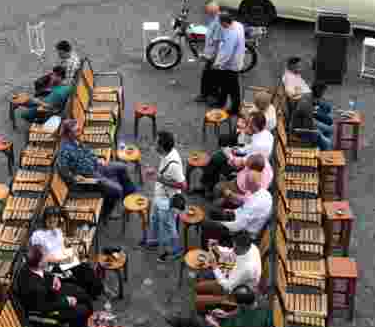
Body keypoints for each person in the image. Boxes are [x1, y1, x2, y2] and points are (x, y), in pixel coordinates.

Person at [56, 119, 136, 222]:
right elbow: (62, 169)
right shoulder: (64, 150)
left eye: (79, 129)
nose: (80, 131)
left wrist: (97, 159)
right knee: (117, 189)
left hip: (96, 166)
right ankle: (107, 213)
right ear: (68, 134)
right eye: (76, 130)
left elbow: (87, 151)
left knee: (122, 167)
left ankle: (129, 194)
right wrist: (74, 177)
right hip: (88, 177)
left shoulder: (76, 139)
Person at [15, 245, 92, 327]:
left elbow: (43, 274)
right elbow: (45, 306)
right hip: (47, 308)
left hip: (50, 292)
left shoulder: (30, 266)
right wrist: (66, 301)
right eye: (45, 257)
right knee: (80, 310)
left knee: (82, 294)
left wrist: (52, 278)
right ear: (40, 262)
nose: (48, 257)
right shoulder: (33, 287)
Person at [166, 284, 267, 327]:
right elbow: (240, 310)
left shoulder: (254, 325)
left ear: (244, 305)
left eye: (237, 303)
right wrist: (226, 314)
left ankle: (180, 323)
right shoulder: (255, 300)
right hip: (226, 325)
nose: (236, 305)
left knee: (196, 321)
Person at [30, 206, 104, 299]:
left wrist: (72, 251)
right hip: (52, 267)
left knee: (85, 268)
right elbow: (40, 257)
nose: (53, 220)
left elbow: (64, 245)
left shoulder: (57, 231)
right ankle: (90, 293)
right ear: (44, 219)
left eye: (55, 218)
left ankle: (96, 291)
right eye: (49, 218)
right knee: (79, 272)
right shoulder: (38, 235)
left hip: (65, 261)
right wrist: (60, 261)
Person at [140, 130, 186, 262]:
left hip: (168, 200)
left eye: (156, 142)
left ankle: (173, 251)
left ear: (161, 146)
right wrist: (156, 173)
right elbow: (164, 174)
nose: (154, 144)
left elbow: (183, 185)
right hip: (159, 195)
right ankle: (154, 241)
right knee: (154, 218)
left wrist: (159, 178)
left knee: (168, 225)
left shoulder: (174, 165)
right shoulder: (166, 154)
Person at [200, 112, 271, 196]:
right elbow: (248, 149)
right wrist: (237, 150)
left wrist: (229, 155)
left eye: (251, 125)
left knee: (217, 158)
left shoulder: (258, 144)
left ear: (256, 127)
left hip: (248, 169)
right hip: (250, 161)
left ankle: (208, 186)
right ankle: (208, 184)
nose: (248, 126)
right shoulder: (266, 134)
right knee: (219, 155)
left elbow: (244, 162)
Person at [194, 230, 261, 312]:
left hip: (238, 293)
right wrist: (217, 248)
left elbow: (227, 287)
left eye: (235, 246)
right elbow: (232, 253)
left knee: (198, 300)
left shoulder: (247, 267)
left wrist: (214, 266)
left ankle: (206, 313)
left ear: (240, 247)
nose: (233, 247)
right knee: (198, 287)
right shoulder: (250, 247)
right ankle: (207, 303)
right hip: (233, 279)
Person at [200, 172, 272, 245]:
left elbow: (237, 226)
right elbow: (245, 205)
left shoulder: (255, 205)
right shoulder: (261, 192)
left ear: (251, 184)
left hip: (243, 232)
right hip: (239, 218)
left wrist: (221, 223)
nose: (245, 186)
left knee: (207, 225)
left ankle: (206, 245)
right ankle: (209, 235)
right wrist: (233, 211)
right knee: (212, 211)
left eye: (247, 184)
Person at [211, 12, 245, 115]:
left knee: (233, 88)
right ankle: (221, 101)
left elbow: (227, 52)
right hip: (235, 60)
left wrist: (217, 64)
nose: (221, 26)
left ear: (225, 22)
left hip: (231, 65)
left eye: (221, 23)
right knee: (224, 83)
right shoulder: (238, 25)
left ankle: (234, 109)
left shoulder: (231, 34)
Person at [194, 2, 222, 104]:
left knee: (211, 76)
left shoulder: (218, 23)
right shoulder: (215, 19)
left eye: (208, 12)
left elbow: (217, 43)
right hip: (211, 54)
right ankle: (206, 94)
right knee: (208, 76)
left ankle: (210, 96)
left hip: (213, 56)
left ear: (211, 12)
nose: (207, 14)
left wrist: (212, 57)